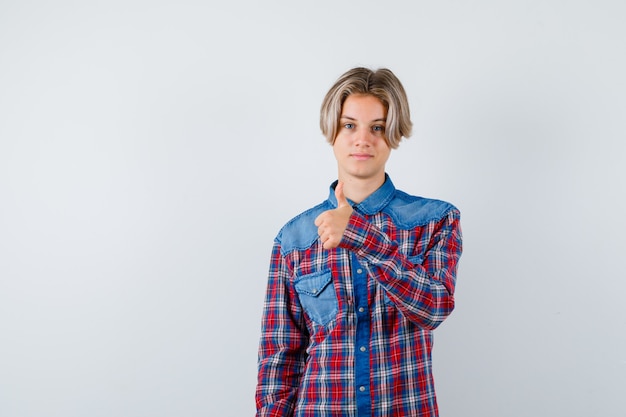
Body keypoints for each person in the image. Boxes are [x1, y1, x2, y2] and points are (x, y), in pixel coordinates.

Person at [255, 67, 463, 417]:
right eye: (349, 125)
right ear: (332, 132)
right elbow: (280, 357)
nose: (362, 139)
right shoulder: (294, 239)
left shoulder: (435, 221)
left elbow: (434, 307)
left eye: (377, 127)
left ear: (394, 134)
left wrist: (357, 235)